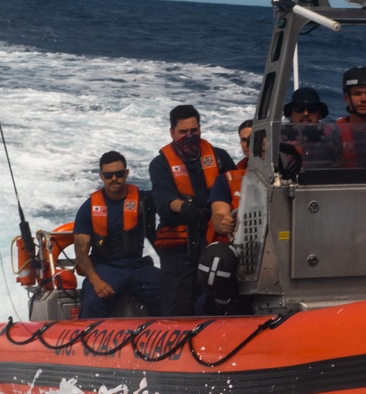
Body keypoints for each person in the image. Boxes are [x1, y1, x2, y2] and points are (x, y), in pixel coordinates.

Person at [149, 104, 236, 316]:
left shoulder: (219, 157)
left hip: (215, 238)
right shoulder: (160, 164)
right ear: (172, 133)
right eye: (183, 132)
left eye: (193, 131)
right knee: (178, 301)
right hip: (180, 243)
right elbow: (163, 198)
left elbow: (236, 187)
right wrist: (183, 207)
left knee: (225, 296)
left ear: (200, 129)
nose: (189, 136)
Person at [73, 151, 162, 318]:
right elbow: (81, 252)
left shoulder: (144, 200)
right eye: (108, 175)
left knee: (169, 292)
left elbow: (168, 205)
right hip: (105, 268)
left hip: (137, 267)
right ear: (101, 176)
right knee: (92, 301)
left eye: (119, 174)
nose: (114, 178)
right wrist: (96, 281)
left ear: (126, 173)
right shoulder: (88, 208)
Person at [208, 119, 252, 242]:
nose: (248, 143)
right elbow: (218, 214)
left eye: (254, 138)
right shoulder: (226, 180)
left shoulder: (285, 175)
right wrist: (222, 223)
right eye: (244, 140)